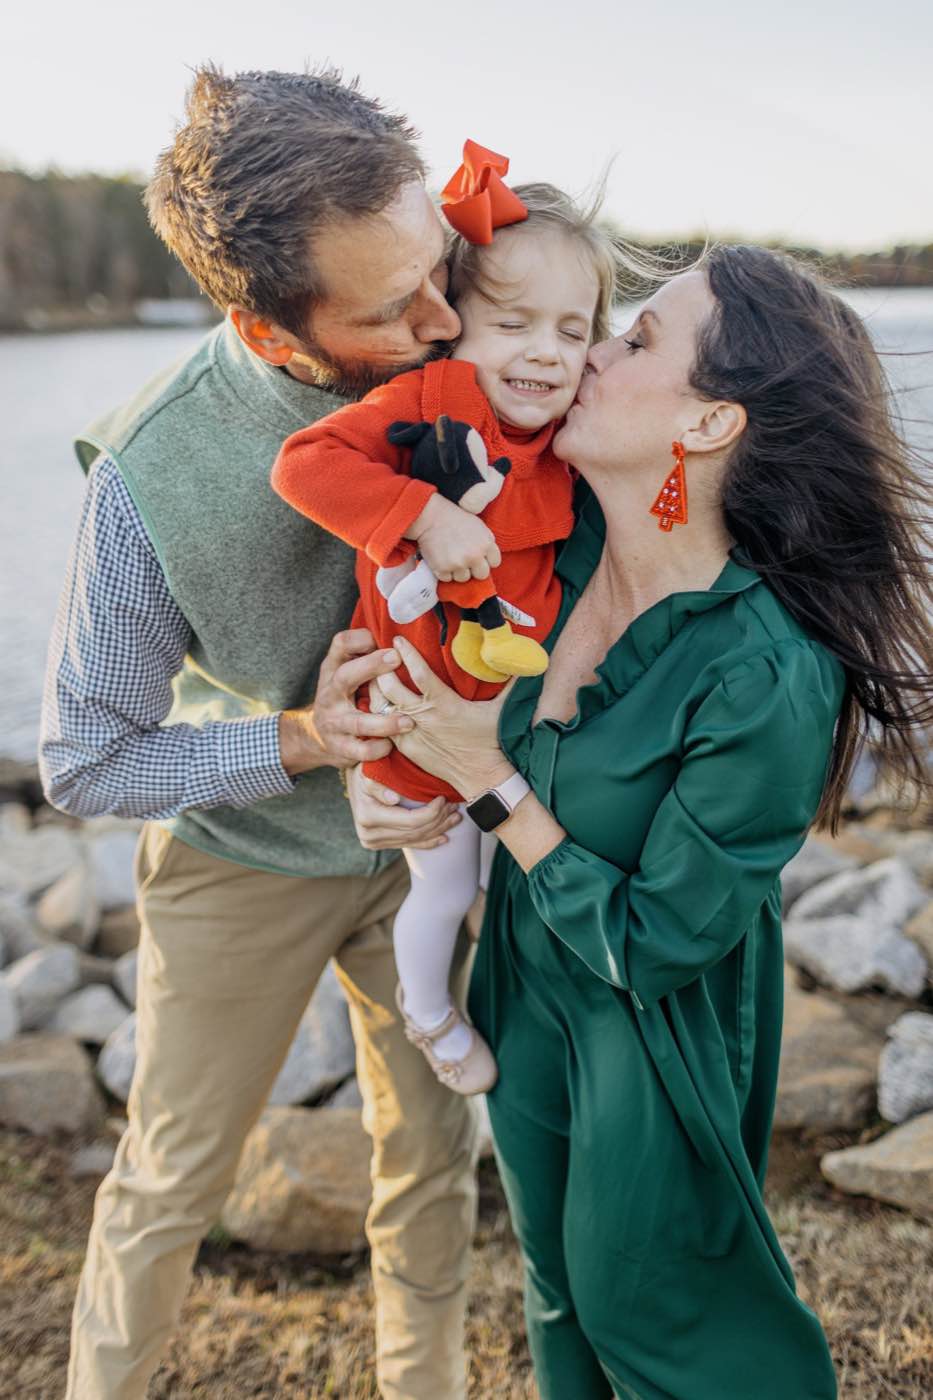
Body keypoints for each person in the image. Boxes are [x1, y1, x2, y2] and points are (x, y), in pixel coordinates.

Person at [347, 246, 933, 1398]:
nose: (589, 356)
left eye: (636, 341)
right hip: (526, 991)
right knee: (560, 1298)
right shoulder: (541, 552)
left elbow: (659, 939)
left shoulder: (766, 671)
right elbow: (419, 668)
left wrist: (489, 782)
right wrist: (371, 757)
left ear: (710, 426)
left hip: (656, 1032)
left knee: (659, 1311)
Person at [39, 65, 480, 1400]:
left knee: (435, 1166)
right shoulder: (146, 477)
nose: (446, 314)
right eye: (394, 307)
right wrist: (297, 738)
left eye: (438, 264)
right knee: (170, 1179)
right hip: (248, 859)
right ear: (271, 328)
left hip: (435, 845)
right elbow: (84, 757)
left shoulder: (461, 323)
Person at [272, 165, 619, 1095]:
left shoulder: (569, 441)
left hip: (513, 725)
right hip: (418, 717)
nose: (545, 352)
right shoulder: (423, 407)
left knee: (519, 883)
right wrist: (422, 514)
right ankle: (427, 1012)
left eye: (571, 329)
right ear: (450, 320)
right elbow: (304, 468)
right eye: (513, 322)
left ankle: (545, 1020)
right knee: (446, 885)